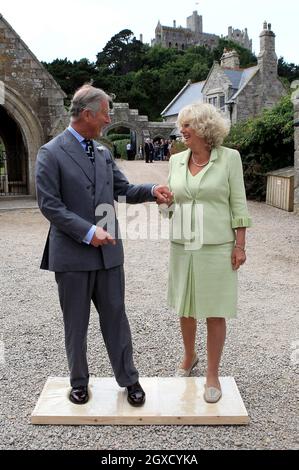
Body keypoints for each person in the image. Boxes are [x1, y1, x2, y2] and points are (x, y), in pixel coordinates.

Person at [35, 84, 172, 407]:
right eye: (105, 114)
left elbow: (123, 190)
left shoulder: (103, 153)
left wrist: (152, 190)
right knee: (76, 324)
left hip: (109, 254)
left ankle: (129, 380)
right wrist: (87, 232)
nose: (109, 121)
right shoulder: (50, 152)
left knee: (116, 318)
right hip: (71, 254)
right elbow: (50, 205)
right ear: (87, 114)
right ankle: (78, 382)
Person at [163, 103, 252, 403]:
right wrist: (165, 203)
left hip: (217, 246)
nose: (182, 130)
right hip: (182, 244)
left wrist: (240, 245)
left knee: (215, 310)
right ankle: (190, 357)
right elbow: (171, 204)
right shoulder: (175, 160)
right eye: (181, 125)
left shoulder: (230, 159)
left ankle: (212, 373)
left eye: (188, 125)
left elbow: (238, 204)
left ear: (204, 129)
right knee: (185, 307)